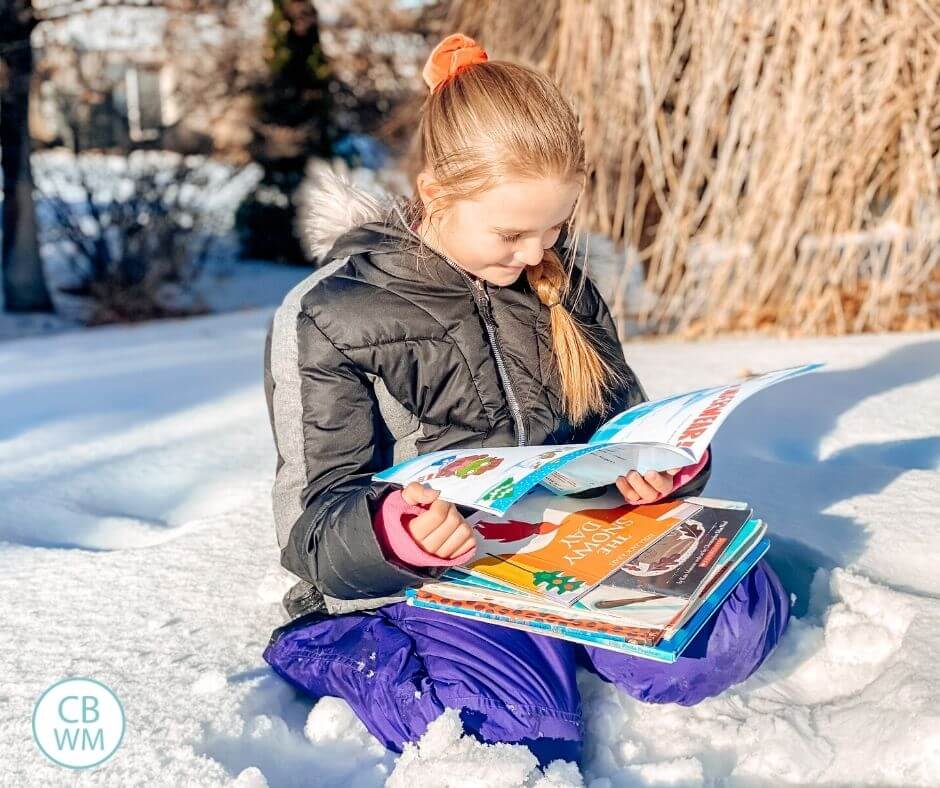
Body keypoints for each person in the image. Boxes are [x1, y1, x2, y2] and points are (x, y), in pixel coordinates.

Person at [261, 33, 790, 766]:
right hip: (437, 577)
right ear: (437, 193)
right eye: (512, 233)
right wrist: (397, 533)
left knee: (729, 628)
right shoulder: (333, 314)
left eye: (555, 229)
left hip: (571, 555)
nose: (538, 255)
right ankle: (341, 650)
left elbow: (619, 427)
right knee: (511, 729)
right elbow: (313, 523)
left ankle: (559, 642)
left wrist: (660, 471)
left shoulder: (559, 283)